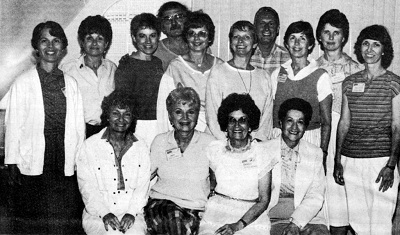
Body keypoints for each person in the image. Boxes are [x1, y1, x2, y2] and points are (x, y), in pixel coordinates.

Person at [5, 21, 85, 234]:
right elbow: (13, 125)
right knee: (35, 217)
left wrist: (78, 160)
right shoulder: (22, 83)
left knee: (62, 216)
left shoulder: (71, 83)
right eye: (44, 41)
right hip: (34, 155)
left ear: (63, 47)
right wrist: (12, 162)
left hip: (63, 154)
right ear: (36, 47)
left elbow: (78, 127)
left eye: (56, 41)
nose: (51, 46)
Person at [334, 25, 400, 235]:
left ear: (384, 50)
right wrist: (337, 160)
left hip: (380, 162)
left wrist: (390, 165)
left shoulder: (394, 83)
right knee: (358, 223)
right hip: (351, 160)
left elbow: (397, 127)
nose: (369, 49)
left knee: (380, 224)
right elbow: (344, 123)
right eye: (365, 43)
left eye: (376, 44)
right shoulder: (349, 83)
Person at [199, 93, 277, 235]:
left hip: (251, 217)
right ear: (226, 125)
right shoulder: (215, 150)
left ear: (249, 125)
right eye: (231, 120)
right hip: (217, 212)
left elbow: (264, 200)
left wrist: (238, 225)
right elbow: (211, 186)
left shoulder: (262, 153)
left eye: (242, 120)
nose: (237, 126)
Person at [315, 9, 363, 235]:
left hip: (346, 133)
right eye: (326, 32)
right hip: (319, 132)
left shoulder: (356, 69)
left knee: (341, 188)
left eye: (336, 32)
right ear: (319, 36)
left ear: (344, 37)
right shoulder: (312, 67)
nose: (331, 37)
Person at [77, 90, 150, 235]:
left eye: (127, 114)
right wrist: (105, 213)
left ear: (132, 118)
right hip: (97, 214)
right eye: (116, 113)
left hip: (132, 213)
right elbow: (87, 187)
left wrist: (131, 212)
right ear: (107, 116)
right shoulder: (90, 146)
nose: (121, 119)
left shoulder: (141, 146)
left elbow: (143, 187)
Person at [145, 86, 215, 235]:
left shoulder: (210, 143)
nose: (185, 118)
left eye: (191, 112)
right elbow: (144, 177)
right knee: (174, 218)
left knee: (180, 223)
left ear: (197, 116)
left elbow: (219, 182)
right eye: (178, 112)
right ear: (170, 116)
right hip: (160, 205)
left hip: (195, 209)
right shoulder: (160, 141)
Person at [270, 21, 332, 172]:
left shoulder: (321, 75)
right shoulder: (277, 73)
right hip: (280, 138)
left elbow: (326, 122)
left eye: (302, 38)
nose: (297, 43)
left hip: (309, 139)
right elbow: (272, 114)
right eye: (292, 38)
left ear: (310, 45)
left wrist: (322, 153)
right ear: (286, 43)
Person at [266, 98, 329, 235]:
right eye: (289, 121)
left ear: (305, 127)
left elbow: (316, 195)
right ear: (281, 123)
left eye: (300, 122)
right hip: (274, 218)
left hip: (309, 218)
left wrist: (296, 222)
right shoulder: (264, 149)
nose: (294, 127)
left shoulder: (314, 153)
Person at [157, 10, 223, 133]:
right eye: (191, 33)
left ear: (209, 38)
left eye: (202, 33)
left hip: (217, 129)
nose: (196, 38)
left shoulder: (220, 66)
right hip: (185, 127)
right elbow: (163, 108)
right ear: (186, 38)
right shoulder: (175, 67)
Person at [206, 20, 273, 141]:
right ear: (231, 42)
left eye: (246, 37)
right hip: (222, 142)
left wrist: (256, 144)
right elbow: (212, 117)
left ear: (254, 44)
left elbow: (266, 121)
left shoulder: (264, 76)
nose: (240, 41)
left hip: (255, 146)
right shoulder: (218, 72)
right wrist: (230, 144)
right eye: (236, 37)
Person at [60, 15, 116, 138]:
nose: (95, 43)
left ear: (106, 44)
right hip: (79, 131)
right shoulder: (68, 69)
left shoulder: (113, 68)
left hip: (107, 132)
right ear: (82, 42)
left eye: (100, 38)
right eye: (89, 38)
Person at [114, 13, 164, 147]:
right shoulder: (127, 65)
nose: (148, 41)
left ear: (158, 37)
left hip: (159, 123)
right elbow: (122, 101)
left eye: (152, 35)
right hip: (137, 125)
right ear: (134, 38)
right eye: (142, 36)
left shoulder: (158, 62)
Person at [250, 7, 290, 76]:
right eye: (262, 24)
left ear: (277, 29)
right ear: (255, 28)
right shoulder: (246, 55)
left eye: (271, 24)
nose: (266, 28)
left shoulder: (288, 58)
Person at [154, 1, 190, 70]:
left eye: (178, 17)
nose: (174, 23)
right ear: (162, 26)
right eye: (167, 19)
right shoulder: (156, 51)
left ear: (187, 20)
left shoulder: (199, 46)